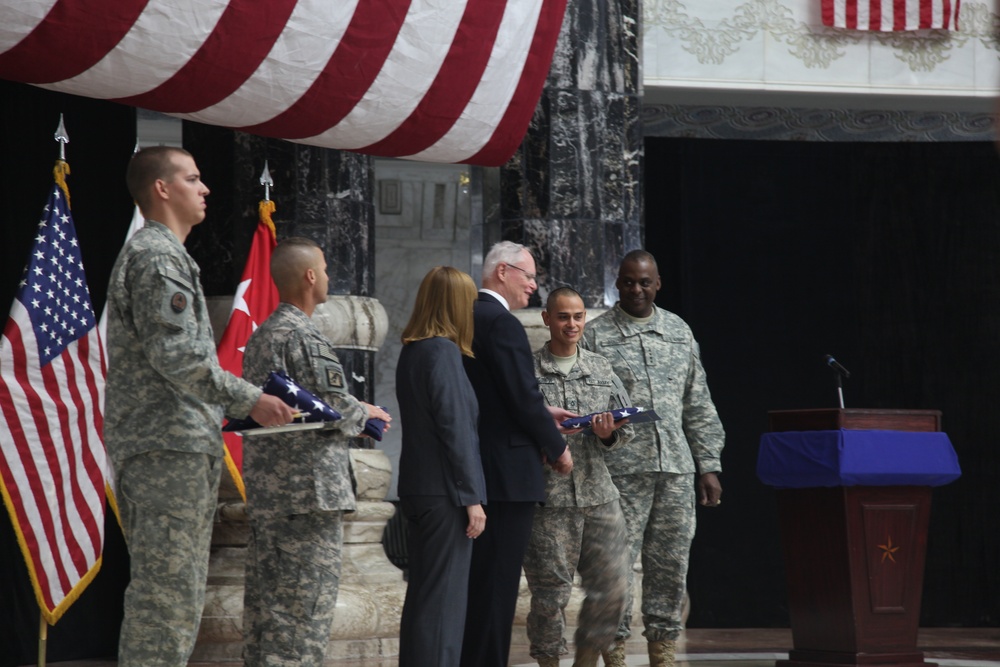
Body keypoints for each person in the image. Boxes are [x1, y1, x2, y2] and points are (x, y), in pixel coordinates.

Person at [104, 146, 295, 667]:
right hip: (166, 446)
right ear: (162, 189)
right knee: (165, 599)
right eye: (193, 178)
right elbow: (179, 357)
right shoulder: (158, 257)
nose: (205, 188)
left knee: (173, 593)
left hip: (173, 445)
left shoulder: (165, 254)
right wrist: (252, 399)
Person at [240, 237, 392, 666]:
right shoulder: (305, 337)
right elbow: (333, 407)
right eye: (324, 269)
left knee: (268, 613)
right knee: (304, 617)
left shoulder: (262, 336)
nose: (327, 277)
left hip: (272, 494)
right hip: (309, 496)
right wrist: (365, 413)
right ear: (310, 277)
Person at [581, 249, 725, 667]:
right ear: (617, 284)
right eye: (628, 282)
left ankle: (663, 652)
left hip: (675, 471)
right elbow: (584, 407)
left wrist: (709, 464)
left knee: (671, 563)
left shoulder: (679, 332)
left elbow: (697, 403)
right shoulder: (596, 336)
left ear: (658, 283)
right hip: (620, 473)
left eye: (645, 282)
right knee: (617, 568)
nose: (637, 289)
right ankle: (616, 652)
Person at [460, 241, 576, 667]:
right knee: (496, 588)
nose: (533, 285)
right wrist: (556, 445)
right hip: (506, 476)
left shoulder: (466, 315)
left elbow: (494, 398)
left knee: (482, 584)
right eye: (527, 275)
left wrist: (541, 413)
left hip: (480, 468)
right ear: (503, 272)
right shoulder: (500, 321)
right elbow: (522, 397)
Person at [525, 287, 633, 667]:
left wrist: (609, 433)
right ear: (546, 319)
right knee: (550, 596)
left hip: (599, 496)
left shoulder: (601, 368)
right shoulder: (527, 371)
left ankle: (587, 660)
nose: (571, 324)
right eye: (563, 317)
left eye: (578, 317)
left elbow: (626, 429)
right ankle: (549, 662)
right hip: (549, 502)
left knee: (615, 587)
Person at [395, 266, 488, 667]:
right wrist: (473, 498)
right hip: (446, 493)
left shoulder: (412, 350)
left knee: (423, 598)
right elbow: (456, 430)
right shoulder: (443, 352)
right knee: (443, 607)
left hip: (418, 488)